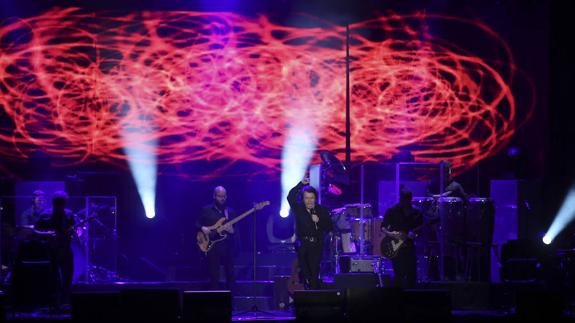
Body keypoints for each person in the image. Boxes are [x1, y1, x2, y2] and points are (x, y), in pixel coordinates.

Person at [287, 178, 333, 289]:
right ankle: (307, 288)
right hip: (303, 245)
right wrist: (301, 184)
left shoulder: (322, 210)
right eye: (306, 198)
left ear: (315, 198)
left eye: (311, 198)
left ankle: (313, 295)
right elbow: (290, 197)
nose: (309, 201)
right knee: (305, 272)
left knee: (313, 272)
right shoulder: (299, 209)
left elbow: (329, 227)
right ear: (303, 199)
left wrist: (319, 221)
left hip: (316, 246)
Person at [33, 191, 76, 307]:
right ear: (54, 203)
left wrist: (76, 232)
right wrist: (47, 233)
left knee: (68, 276)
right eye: (59, 204)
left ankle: (65, 301)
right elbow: (34, 230)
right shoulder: (45, 214)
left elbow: (77, 230)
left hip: (66, 250)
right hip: (51, 250)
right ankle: (54, 302)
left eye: (63, 204)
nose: (61, 207)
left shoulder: (69, 214)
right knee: (53, 277)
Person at [197, 186, 236, 290]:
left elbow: (235, 231)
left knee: (230, 274)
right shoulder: (206, 210)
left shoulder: (230, 211)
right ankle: (214, 299)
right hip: (212, 247)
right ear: (214, 196)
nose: (222, 198)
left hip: (227, 247)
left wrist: (231, 230)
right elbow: (196, 224)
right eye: (220, 196)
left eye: (224, 196)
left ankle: (231, 300)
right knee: (214, 275)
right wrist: (202, 227)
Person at [381, 189, 422, 288]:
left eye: (408, 200)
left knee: (411, 274)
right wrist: (391, 234)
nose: (406, 202)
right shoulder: (392, 211)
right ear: (400, 199)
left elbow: (420, 231)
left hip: (409, 246)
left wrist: (415, 235)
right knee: (399, 274)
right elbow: (383, 227)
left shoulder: (416, 213)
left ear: (411, 199)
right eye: (404, 199)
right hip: (396, 246)